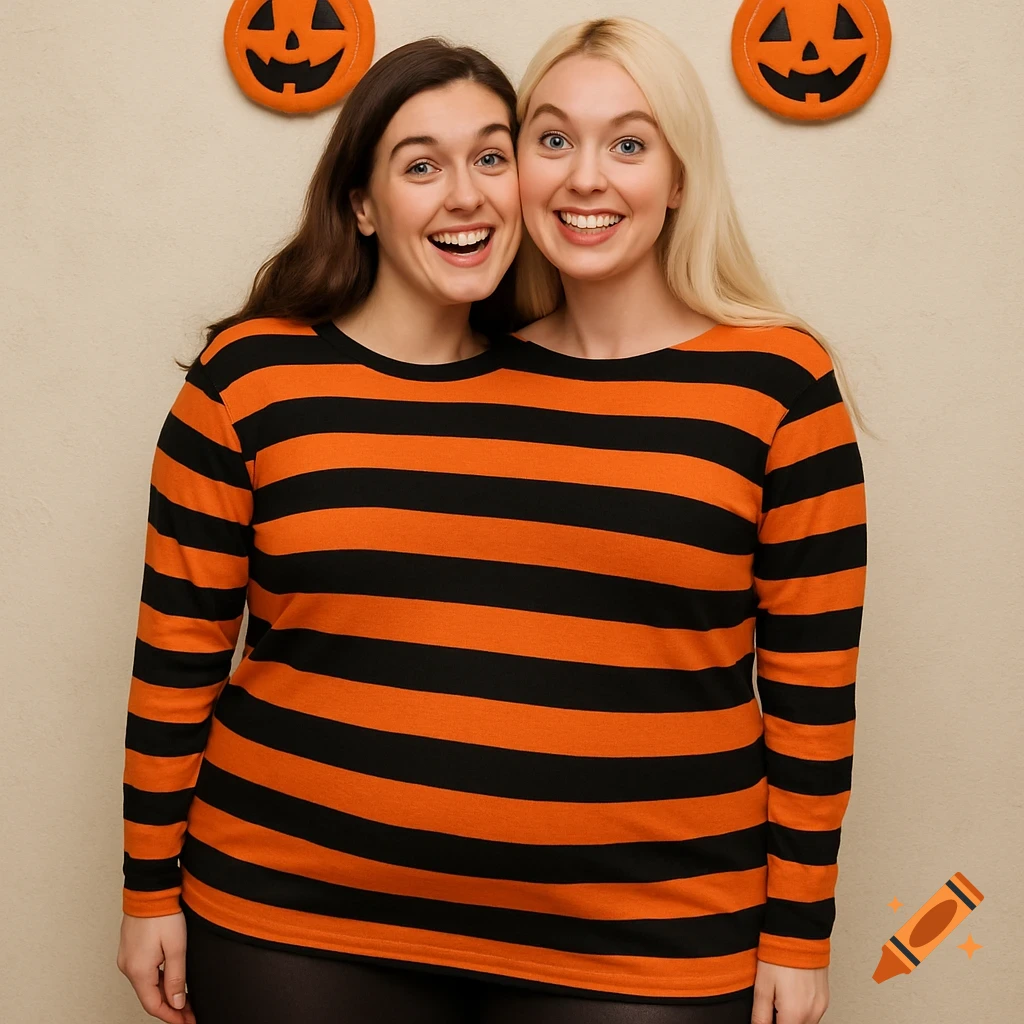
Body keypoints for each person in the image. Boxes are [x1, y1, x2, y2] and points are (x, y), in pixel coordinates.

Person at [117, 37, 522, 1023]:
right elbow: (179, 655)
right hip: (287, 915)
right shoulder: (248, 381)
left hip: (548, 932)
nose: (464, 194)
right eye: (420, 165)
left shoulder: (575, 384)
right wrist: (146, 893)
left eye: (493, 155)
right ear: (361, 204)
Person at [504, 16, 868, 1024]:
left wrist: (796, 937)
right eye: (552, 138)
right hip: (405, 924)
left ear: (678, 178)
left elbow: (811, 694)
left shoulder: (780, 384)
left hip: (657, 933)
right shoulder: (465, 366)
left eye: (628, 142)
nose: (585, 177)